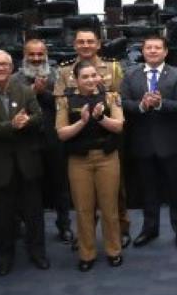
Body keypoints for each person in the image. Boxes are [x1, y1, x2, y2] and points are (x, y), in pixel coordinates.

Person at [0, 50, 48, 275]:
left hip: (27, 164)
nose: (1, 68)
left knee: (34, 215)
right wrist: (11, 126)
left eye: (5, 65)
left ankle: (37, 252)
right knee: (2, 217)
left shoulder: (25, 91)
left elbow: (40, 117)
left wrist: (27, 121)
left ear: (12, 67)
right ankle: (5, 256)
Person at [54, 26, 130, 246]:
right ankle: (86, 236)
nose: (85, 46)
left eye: (90, 42)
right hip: (78, 140)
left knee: (116, 191)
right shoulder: (65, 70)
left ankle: (120, 230)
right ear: (75, 44)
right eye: (81, 42)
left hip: (108, 135)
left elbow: (118, 98)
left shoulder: (113, 67)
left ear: (98, 44)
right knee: (83, 198)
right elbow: (61, 103)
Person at [120, 35, 177, 248]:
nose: (152, 51)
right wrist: (141, 106)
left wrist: (160, 104)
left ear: (165, 52)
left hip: (171, 143)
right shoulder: (130, 74)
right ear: (142, 51)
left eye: (157, 48)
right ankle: (149, 229)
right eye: (148, 47)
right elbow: (123, 103)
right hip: (142, 143)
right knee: (148, 191)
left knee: (176, 191)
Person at [56, 62, 125, 271]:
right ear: (76, 79)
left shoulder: (112, 97)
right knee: (83, 209)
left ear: (99, 77)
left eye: (93, 75)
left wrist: (100, 118)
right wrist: (82, 122)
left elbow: (119, 126)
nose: (90, 80)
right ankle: (87, 253)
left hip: (107, 158)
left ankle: (114, 250)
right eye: (85, 77)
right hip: (79, 161)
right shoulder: (65, 100)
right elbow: (61, 133)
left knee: (109, 208)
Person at [21, 38, 72, 244]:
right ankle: (34, 230)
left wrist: (44, 93)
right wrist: (32, 93)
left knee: (60, 186)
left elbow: (65, 103)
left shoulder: (58, 76)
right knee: (30, 188)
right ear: (25, 56)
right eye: (31, 55)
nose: (36, 58)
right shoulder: (15, 79)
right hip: (26, 141)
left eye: (40, 54)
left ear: (46, 55)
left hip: (54, 139)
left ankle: (64, 226)